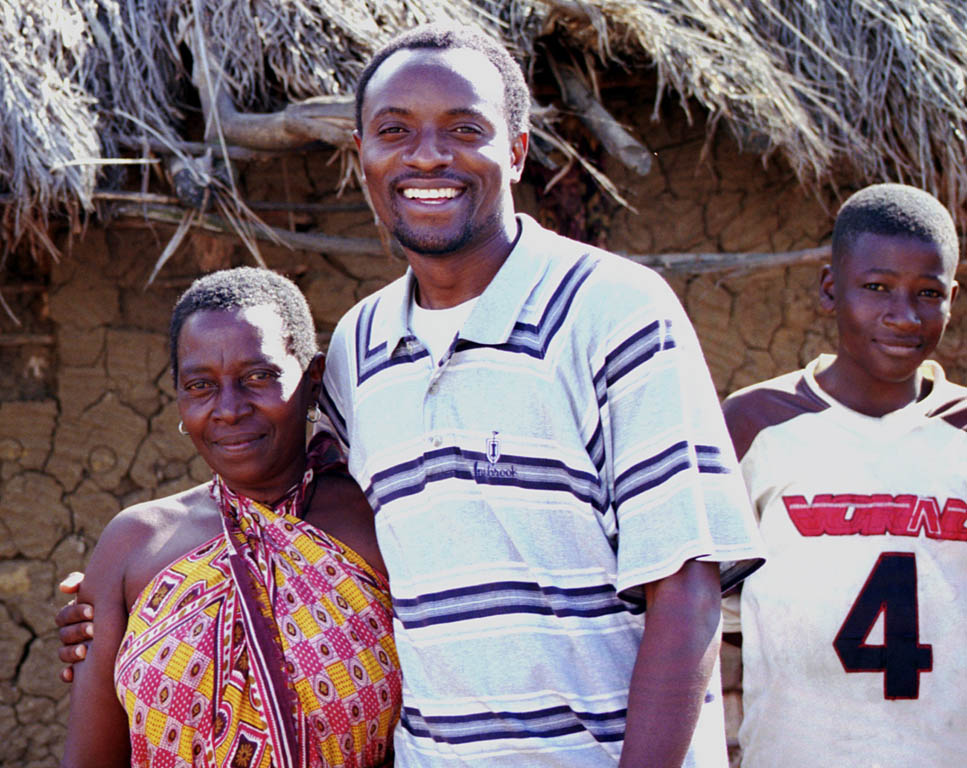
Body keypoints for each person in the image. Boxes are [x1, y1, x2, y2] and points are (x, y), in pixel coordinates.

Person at [59, 23, 765, 768]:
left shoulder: (614, 312)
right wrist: (119, 595)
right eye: (394, 131)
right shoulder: (362, 349)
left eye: (464, 129)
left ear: (517, 150)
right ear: (361, 156)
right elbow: (268, 495)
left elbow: (685, 592)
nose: (427, 155)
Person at [59, 267, 401, 768]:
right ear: (178, 396)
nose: (229, 409)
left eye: (258, 377)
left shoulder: (382, 524)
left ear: (311, 379)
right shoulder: (134, 543)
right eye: (200, 385)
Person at [721, 183, 967, 767]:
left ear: (952, 301)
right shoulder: (755, 424)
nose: (903, 315)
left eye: (927, 293)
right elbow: (720, 618)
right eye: (877, 287)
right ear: (831, 290)